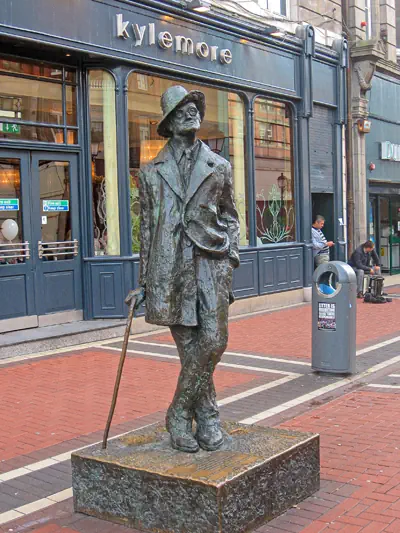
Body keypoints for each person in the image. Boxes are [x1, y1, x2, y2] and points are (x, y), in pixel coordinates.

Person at [136, 86, 240, 453]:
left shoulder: (219, 166)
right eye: (182, 109)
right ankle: (208, 419)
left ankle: (179, 412)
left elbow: (231, 218)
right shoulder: (150, 174)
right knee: (191, 348)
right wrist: (144, 282)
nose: (191, 112)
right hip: (170, 269)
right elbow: (147, 230)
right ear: (169, 121)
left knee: (214, 341)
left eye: (194, 107)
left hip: (212, 263)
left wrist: (230, 261)